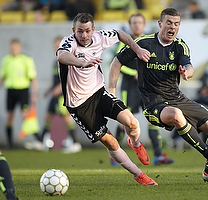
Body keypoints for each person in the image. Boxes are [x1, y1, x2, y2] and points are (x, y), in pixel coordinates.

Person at [109, 8, 208, 185]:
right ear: (160, 24)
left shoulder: (180, 46)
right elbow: (117, 61)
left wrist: (187, 72)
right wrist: (112, 89)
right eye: (169, 23)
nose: (172, 27)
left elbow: (188, 65)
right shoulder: (143, 43)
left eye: (176, 24)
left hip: (177, 98)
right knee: (175, 115)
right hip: (153, 103)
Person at [56, 13, 157, 186]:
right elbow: (61, 56)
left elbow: (120, 34)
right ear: (74, 31)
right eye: (80, 31)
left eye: (88, 31)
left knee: (131, 122)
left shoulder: (99, 37)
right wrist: (81, 62)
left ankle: (135, 143)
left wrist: (137, 48)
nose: (84, 35)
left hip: (98, 92)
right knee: (110, 141)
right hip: (79, 104)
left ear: (93, 30)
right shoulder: (68, 43)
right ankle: (139, 175)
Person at [111, 12, 174, 166]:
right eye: (134, 23)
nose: (137, 25)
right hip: (129, 87)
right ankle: (114, 154)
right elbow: (117, 65)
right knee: (124, 121)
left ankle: (158, 155)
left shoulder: (147, 41)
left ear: (144, 25)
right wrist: (135, 73)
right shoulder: (124, 42)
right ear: (130, 25)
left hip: (146, 88)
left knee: (153, 119)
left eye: (140, 22)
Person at [39, 36, 82, 154]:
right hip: (54, 94)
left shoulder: (66, 60)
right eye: (55, 45)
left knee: (66, 118)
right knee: (48, 117)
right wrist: (49, 90)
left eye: (58, 45)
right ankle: (41, 141)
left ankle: (75, 143)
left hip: (63, 94)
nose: (56, 47)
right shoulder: (56, 61)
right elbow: (56, 79)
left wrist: (58, 89)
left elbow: (68, 78)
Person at [0, 39, 42, 150]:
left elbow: (33, 78)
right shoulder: (6, 60)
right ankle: (10, 143)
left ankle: (38, 139)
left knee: (25, 116)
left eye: (15, 47)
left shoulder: (26, 59)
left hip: (23, 90)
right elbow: (2, 77)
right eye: (11, 47)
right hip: (10, 90)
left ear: (19, 47)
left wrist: (34, 93)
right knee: (9, 116)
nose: (13, 50)